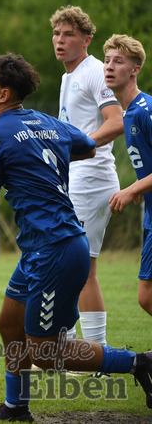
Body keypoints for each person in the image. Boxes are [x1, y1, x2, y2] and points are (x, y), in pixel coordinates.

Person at [0, 53, 151, 421]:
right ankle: (16, 408)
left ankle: (139, 362)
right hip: (45, 247)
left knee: (46, 354)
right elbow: (88, 146)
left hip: (55, 249)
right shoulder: (47, 122)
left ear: (3, 94)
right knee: (8, 324)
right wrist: (41, 154)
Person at [50, 5, 124, 345]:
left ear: (87, 40)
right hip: (75, 178)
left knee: (81, 269)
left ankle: (95, 352)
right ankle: (76, 349)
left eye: (69, 35)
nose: (60, 41)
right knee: (72, 267)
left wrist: (78, 146)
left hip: (92, 178)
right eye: (56, 34)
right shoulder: (69, 75)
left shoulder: (94, 71)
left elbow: (116, 120)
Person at [104, 34, 152, 320]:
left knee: (146, 296)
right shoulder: (128, 114)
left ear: (135, 69)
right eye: (107, 60)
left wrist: (131, 189)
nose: (109, 66)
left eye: (118, 61)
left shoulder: (146, 110)